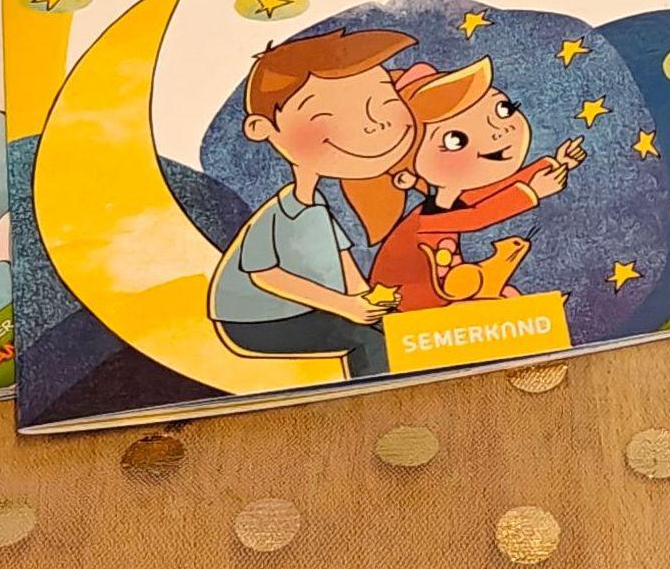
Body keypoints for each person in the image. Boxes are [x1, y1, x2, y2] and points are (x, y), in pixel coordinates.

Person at [207, 26, 419, 373]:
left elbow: (344, 259)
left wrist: (366, 299)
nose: (373, 125)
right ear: (262, 129)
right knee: (366, 339)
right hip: (256, 321)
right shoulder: (279, 213)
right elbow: (266, 276)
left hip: (311, 308)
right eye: (331, 115)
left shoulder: (318, 206)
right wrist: (345, 306)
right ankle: (376, 396)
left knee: (393, 325)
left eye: (384, 102)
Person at [369, 59, 583, 313]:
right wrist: (531, 193)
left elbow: (491, 192)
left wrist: (556, 164)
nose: (497, 131)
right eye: (455, 139)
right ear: (405, 176)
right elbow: (476, 217)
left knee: (507, 297)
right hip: (411, 303)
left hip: (448, 289)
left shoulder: (451, 201)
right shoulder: (424, 221)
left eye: (503, 109)